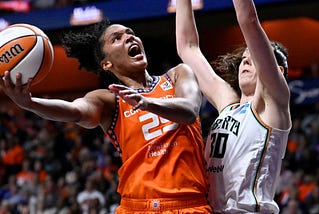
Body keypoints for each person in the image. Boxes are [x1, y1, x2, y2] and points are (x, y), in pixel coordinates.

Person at [0, 19, 212, 213]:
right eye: (116, 38)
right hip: (136, 206)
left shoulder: (177, 75)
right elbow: (74, 110)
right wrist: (30, 103)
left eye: (130, 33)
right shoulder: (110, 100)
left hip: (190, 204)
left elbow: (189, 109)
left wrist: (147, 103)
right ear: (106, 63)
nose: (129, 37)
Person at [176, 0, 292, 213]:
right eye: (243, 59)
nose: (245, 62)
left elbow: (248, 20)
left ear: (278, 72)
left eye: (252, 58)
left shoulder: (273, 103)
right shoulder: (227, 104)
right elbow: (187, 48)